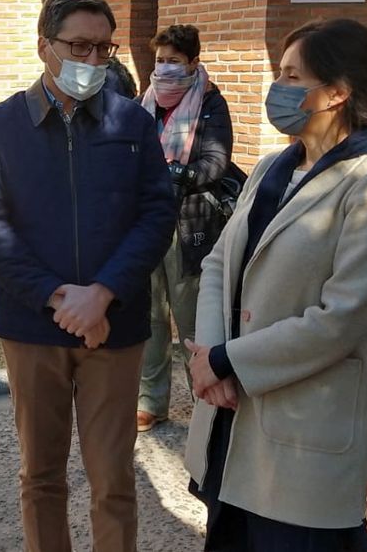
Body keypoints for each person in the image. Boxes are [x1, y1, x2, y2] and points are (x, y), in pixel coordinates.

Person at [183, 18, 367, 551]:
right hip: (232, 426)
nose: (278, 85)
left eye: (292, 74)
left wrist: (227, 361)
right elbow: (221, 263)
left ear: (337, 92)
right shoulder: (272, 167)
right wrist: (209, 359)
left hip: (304, 446)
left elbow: (341, 318)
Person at [0, 0, 175, 552]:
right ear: (45, 47)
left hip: (116, 326)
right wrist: (59, 298)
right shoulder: (0, 127)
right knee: (41, 477)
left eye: (103, 49)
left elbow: (157, 214)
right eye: (78, 45)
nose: (91, 60)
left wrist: (102, 294)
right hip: (33, 327)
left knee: (114, 480)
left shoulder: (132, 123)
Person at [136, 24, 232, 432]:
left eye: (174, 61)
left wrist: (178, 173)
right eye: (160, 61)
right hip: (144, 220)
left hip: (188, 222)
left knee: (191, 318)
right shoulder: (145, 103)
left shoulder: (210, 103)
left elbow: (216, 161)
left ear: (193, 62)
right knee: (151, 316)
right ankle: (150, 401)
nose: (165, 69)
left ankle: (204, 400)